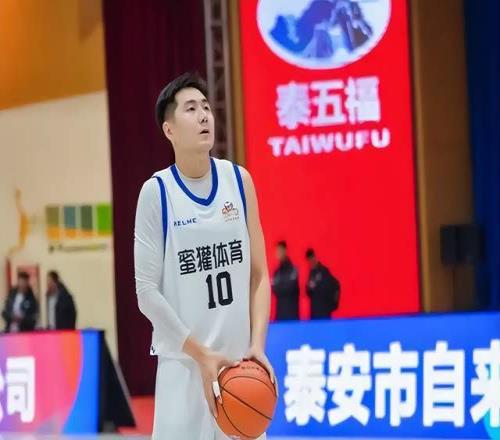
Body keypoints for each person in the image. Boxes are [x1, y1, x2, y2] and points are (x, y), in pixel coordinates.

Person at [134, 72, 275, 439]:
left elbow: (259, 274)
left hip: (239, 371)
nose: (203, 116)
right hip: (184, 370)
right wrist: (200, 354)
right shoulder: (156, 193)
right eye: (191, 109)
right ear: (169, 130)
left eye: (207, 107)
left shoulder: (239, 181)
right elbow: (146, 293)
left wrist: (257, 345)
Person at [305, 248, 340, 319]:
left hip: (324, 311)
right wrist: (308, 287)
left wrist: (333, 305)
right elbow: (309, 293)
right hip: (314, 311)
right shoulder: (311, 273)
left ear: (315, 258)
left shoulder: (324, 270)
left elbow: (334, 285)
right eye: (308, 260)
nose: (310, 262)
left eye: (311, 259)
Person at [272, 241, 299, 320]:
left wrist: (280, 285)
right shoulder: (277, 272)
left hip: (291, 314)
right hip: (280, 314)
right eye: (277, 251)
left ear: (285, 251)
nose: (278, 253)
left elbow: (290, 287)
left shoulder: (293, 269)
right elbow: (274, 288)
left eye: (280, 250)